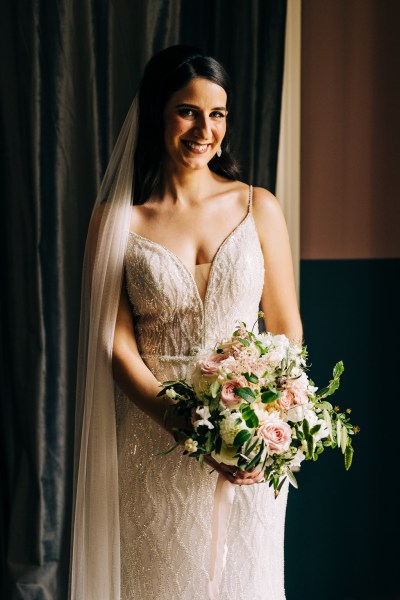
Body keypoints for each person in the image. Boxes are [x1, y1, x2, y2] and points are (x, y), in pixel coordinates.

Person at [70, 45, 302, 600]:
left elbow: (287, 328)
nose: (205, 129)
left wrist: (260, 424)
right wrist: (191, 429)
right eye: (188, 111)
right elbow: (116, 347)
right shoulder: (116, 221)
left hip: (249, 447)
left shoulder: (258, 207)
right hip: (155, 440)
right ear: (158, 113)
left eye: (217, 113)